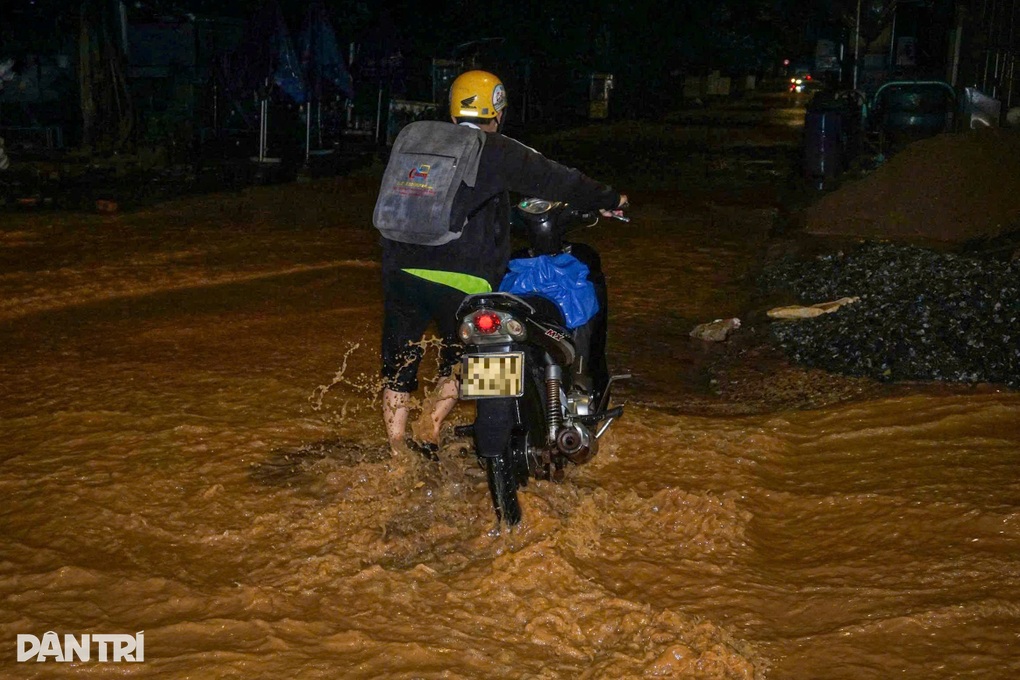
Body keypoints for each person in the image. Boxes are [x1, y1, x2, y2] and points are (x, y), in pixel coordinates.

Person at [378, 69, 628, 457]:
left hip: (400, 268)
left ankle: (396, 454)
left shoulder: (421, 143)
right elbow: (559, 180)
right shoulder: (494, 148)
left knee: (398, 368)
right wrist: (610, 199)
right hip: (464, 279)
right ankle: (431, 426)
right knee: (470, 362)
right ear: (497, 109)